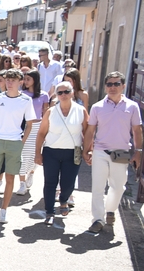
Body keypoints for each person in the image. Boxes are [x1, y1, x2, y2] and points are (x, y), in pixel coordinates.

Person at [83, 71, 144, 233]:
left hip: (121, 152)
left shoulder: (132, 106)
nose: (112, 87)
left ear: (123, 86)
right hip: (101, 151)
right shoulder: (97, 107)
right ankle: (98, 219)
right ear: (105, 87)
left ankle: (110, 210)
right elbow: (90, 131)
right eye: (109, 84)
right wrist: (86, 149)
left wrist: (138, 151)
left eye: (116, 84)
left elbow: (137, 130)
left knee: (118, 187)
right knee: (97, 187)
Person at [0, 69, 37, 224]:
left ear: (20, 82)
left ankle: (4, 210)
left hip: (14, 142)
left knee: (10, 177)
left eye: (13, 80)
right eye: (7, 79)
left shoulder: (26, 100)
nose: (10, 82)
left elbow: (30, 124)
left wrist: (22, 142)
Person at [35, 81, 89, 225]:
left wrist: (88, 150)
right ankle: (50, 212)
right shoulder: (51, 112)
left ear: (72, 93)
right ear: (56, 95)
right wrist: (37, 153)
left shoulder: (81, 110)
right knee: (50, 183)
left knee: (68, 184)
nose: (63, 95)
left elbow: (87, 132)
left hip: (73, 152)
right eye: (60, 92)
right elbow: (41, 133)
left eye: (66, 92)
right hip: (51, 151)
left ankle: (64, 200)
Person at [16, 70, 47, 196]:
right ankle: (22, 183)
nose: (26, 81)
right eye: (25, 78)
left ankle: (32, 173)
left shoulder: (44, 95)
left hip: (38, 127)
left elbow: (45, 113)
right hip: (25, 126)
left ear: (35, 80)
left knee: (36, 154)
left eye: (28, 78)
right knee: (22, 155)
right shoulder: (21, 94)